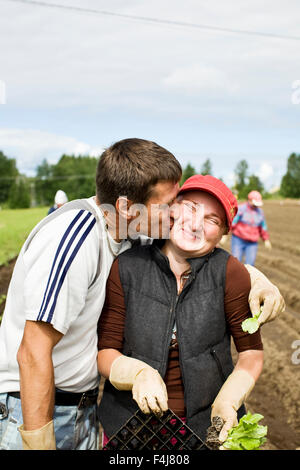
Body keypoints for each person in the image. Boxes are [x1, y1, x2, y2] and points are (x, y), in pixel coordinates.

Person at [0, 140, 283, 451]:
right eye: (170, 203)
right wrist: (38, 442)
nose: (177, 213)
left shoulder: (131, 231)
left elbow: (203, 252)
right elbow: (32, 351)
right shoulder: (76, 238)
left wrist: (256, 279)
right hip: (32, 409)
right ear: (126, 208)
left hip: (82, 409)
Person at [96, 175, 278, 446]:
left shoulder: (231, 274)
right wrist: (137, 374)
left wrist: (228, 401)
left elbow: (250, 354)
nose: (195, 224)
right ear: (172, 208)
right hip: (130, 425)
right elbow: (106, 352)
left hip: (204, 427)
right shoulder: (127, 267)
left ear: (223, 233)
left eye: (212, 220)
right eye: (190, 207)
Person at [231, 190, 271, 266]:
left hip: (252, 243)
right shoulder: (241, 209)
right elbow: (233, 222)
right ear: (249, 200)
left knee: (250, 265)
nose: (256, 206)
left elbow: (263, 227)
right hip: (238, 240)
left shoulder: (260, 213)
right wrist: (225, 234)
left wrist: (266, 239)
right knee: (236, 262)